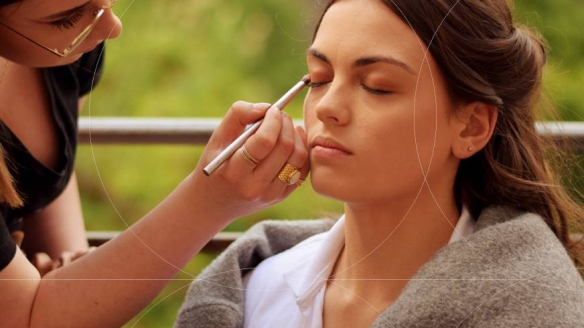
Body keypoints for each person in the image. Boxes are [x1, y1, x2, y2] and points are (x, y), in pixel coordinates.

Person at [175, 0, 584, 327]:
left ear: (472, 127)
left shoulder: (536, 305)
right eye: (318, 78)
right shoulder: (255, 289)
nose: (328, 106)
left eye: (377, 87)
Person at [0, 0, 310, 327]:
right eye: (67, 19)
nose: (112, 28)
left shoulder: (70, 43)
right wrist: (208, 202)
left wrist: (77, 272)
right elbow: (26, 316)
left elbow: (37, 176)